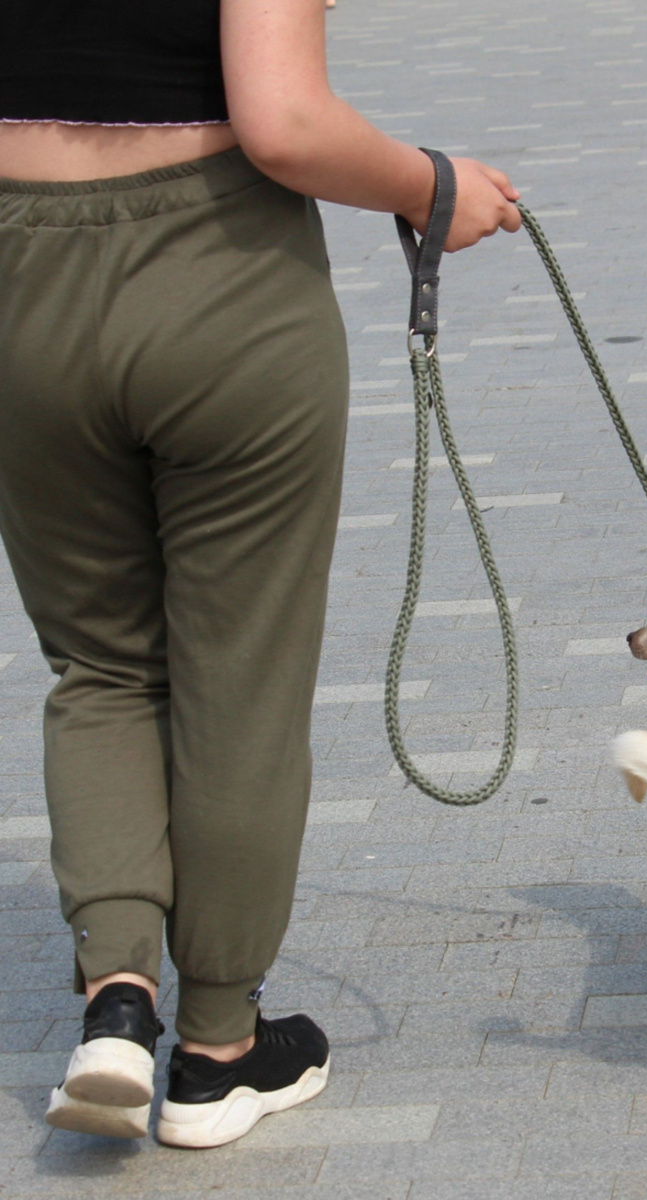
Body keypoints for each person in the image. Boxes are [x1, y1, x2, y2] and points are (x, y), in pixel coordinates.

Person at [0, 0, 520, 1149]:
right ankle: (217, 1049)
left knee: (98, 664)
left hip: (19, 280)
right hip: (220, 275)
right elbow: (282, 122)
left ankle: (116, 1002)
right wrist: (432, 187)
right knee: (239, 682)